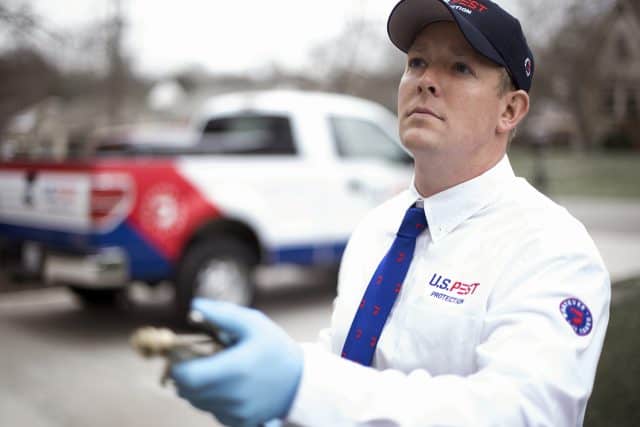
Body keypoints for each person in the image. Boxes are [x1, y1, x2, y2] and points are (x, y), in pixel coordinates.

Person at [171, 1, 611, 426]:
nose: (426, 81)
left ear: (510, 110)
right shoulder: (377, 228)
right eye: (417, 62)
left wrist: (303, 386)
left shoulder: (552, 250)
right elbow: (348, 356)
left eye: (460, 67)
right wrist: (280, 392)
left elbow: (524, 413)